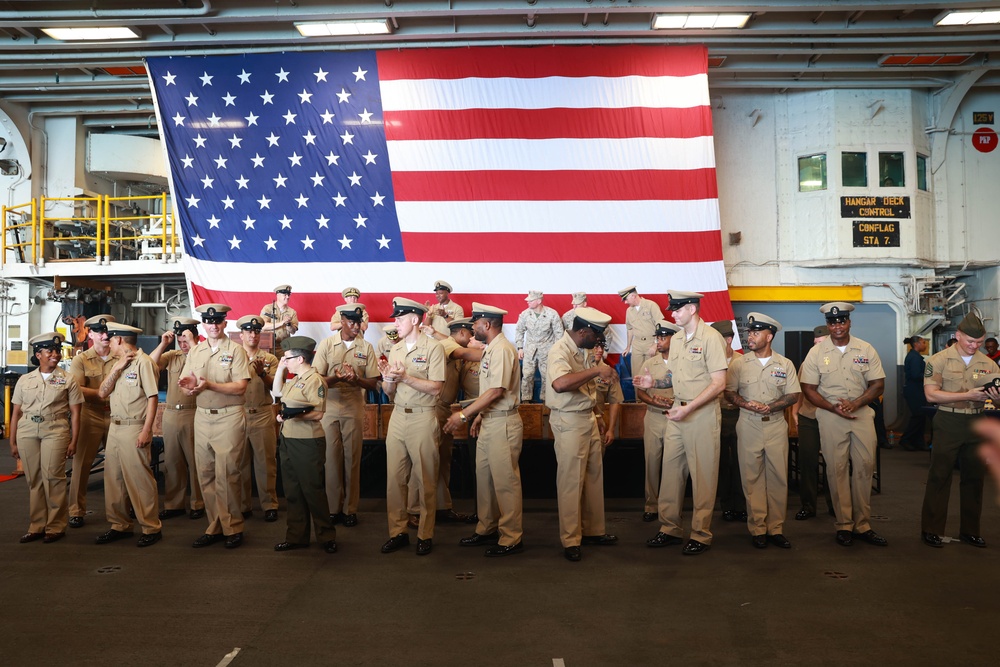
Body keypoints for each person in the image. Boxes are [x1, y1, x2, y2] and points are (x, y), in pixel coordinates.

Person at [634, 291, 727, 555]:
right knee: (671, 473)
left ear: (691, 309)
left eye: (676, 310)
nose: (672, 314)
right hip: (678, 410)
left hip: (701, 414)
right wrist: (656, 383)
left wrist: (690, 408)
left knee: (703, 476)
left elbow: (719, 383)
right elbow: (675, 376)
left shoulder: (711, 338)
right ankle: (670, 528)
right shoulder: (676, 340)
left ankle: (700, 533)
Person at [799, 302, 888, 548]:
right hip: (830, 417)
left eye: (841, 321)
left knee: (865, 467)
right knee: (836, 470)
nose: (837, 326)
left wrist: (856, 403)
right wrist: (833, 408)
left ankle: (863, 524)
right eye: (832, 322)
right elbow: (808, 388)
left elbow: (878, 384)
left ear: (849, 322)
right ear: (827, 325)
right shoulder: (816, 353)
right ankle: (844, 524)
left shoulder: (865, 348)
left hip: (861, 415)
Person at [444, 303, 524, 557]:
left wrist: (465, 415)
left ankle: (511, 536)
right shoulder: (492, 349)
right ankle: (487, 527)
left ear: (486, 325)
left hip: (503, 423)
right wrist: (479, 415)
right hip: (490, 419)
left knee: (505, 482)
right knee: (486, 479)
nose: (473, 328)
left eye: (475, 323)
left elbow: (495, 391)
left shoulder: (501, 349)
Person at [545, 307, 619, 562]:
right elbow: (561, 384)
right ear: (583, 331)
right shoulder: (560, 350)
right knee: (571, 481)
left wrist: (598, 416)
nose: (598, 342)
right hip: (569, 421)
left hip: (587, 418)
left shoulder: (582, 350)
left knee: (593, 477)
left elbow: (586, 389)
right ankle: (571, 538)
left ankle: (593, 530)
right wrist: (597, 370)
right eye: (596, 337)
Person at [723, 313, 801, 549]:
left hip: (776, 424)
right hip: (748, 424)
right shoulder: (739, 363)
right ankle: (758, 528)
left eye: (755, 333)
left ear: (769, 336)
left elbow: (793, 395)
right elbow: (729, 392)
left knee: (778, 477)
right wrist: (746, 404)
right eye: (749, 333)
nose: (750, 337)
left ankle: (775, 529)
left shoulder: (784, 364)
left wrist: (770, 406)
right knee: (751, 477)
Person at [920, 313, 995, 549]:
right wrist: (968, 395)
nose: (975, 346)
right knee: (940, 476)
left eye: (979, 342)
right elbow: (931, 395)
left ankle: (970, 530)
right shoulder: (938, 360)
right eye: (970, 341)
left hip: (976, 421)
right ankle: (931, 529)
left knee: (974, 478)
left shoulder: (989, 364)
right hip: (948, 420)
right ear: (958, 336)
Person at [378, 297, 446, 556]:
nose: (395, 322)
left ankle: (425, 534)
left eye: (400, 318)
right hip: (398, 416)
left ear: (415, 320)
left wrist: (405, 376)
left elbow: (436, 388)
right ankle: (397, 532)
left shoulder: (433, 348)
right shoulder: (395, 350)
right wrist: (388, 379)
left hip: (422, 416)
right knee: (394, 479)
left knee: (425, 478)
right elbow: (388, 391)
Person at [181, 303, 251, 550]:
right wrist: (188, 386)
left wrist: (209, 385)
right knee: (206, 474)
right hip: (202, 416)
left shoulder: (236, 351)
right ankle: (214, 526)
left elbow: (241, 386)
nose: (213, 325)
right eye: (208, 322)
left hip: (228, 417)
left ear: (224, 324)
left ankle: (233, 526)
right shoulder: (196, 351)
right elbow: (186, 382)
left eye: (217, 321)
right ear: (203, 324)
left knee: (228, 473)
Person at [9, 333, 83, 544]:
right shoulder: (25, 380)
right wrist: (13, 441)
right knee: (34, 479)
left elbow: (76, 413)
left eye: (57, 351)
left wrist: (74, 440)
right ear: (38, 354)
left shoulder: (68, 379)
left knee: (53, 477)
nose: (55, 355)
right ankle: (37, 525)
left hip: (55, 429)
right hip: (27, 431)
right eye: (49, 351)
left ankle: (56, 526)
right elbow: (16, 413)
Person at [95, 323, 162, 547]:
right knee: (113, 479)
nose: (109, 343)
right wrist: (117, 369)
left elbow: (153, 398)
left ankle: (151, 527)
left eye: (111, 340)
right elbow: (102, 393)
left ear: (120, 340)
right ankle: (119, 525)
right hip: (115, 427)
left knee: (139, 479)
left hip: (135, 426)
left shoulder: (145, 363)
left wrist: (146, 430)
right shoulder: (116, 364)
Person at [314, 303, 379, 528]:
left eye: (358, 323)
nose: (355, 327)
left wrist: (356, 380)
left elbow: (373, 383)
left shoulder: (367, 347)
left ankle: (350, 508)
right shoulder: (326, 345)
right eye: (351, 322)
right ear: (341, 321)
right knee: (331, 460)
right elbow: (317, 380)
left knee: (352, 459)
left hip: (353, 406)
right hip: (330, 406)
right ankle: (333, 508)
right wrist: (337, 378)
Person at [271, 336, 337, 554]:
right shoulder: (296, 378)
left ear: (300, 359)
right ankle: (297, 536)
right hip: (289, 440)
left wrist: (292, 416)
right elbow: (277, 393)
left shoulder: (315, 380)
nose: (285, 361)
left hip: (308, 442)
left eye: (287, 358)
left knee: (312, 490)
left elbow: (318, 413)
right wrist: (280, 369)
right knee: (293, 491)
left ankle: (326, 536)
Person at [150, 317, 205, 520]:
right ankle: (174, 504)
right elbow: (149, 363)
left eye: (186, 340)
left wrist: (193, 344)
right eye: (180, 341)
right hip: (172, 413)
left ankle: (198, 502)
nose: (183, 346)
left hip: (193, 412)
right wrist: (164, 343)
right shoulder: (172, 355)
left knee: (195, 461)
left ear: (195, 338)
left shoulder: (202, 355)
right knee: (172, 462)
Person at [67, 314, 117, 529]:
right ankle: (76, 511)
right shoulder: (81, 359)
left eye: (108, 332)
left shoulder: (120, 356)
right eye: (100, 332)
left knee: (118, 465)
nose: (105, 335)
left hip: (116, 415)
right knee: (82, 465)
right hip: (91, 415)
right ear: (91, 334)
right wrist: (103, 393)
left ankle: (121, 508)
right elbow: (77, 388)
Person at [634, 320, 679, 523]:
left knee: (673, 465)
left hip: (676, 418)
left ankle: (671, 508)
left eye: (663, 338)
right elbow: (640, 392)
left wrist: (674, 403)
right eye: (657, 338)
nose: (658, 342)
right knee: (652, 463)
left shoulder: (683, 362)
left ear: (674, 339)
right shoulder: (649, 363)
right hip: (653, 417)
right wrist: (654, 401)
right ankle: (651, 505)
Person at [236, 314, 279, 522]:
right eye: (249, 331)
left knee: (266, 463)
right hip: (239, 413)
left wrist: (263, 373)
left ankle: (269, 504)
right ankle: (243, 505)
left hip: (262, 413)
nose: (253, 335)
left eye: (256, 331)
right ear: (241, 335)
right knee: (240, 463)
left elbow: (276, 388)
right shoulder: (234, 356)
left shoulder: (269, 359)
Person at [791, 326, 835, 520]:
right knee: (807, 462)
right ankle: (808, 506)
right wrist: (795, 413)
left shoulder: (838, 362)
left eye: (821, 342)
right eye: (815, 343)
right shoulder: (807, 361)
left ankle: (835, 504)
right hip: (808, 417)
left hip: (832, 417)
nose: (817, 346)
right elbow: (800, 390)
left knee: (833, 463)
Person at [712, 319, 747, 523]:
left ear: (728, 339)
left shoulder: (741, 361)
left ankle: (741, 505)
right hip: (717, 415)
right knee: (723, 463)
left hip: (739, 415)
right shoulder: (709, 360)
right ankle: (726, 505)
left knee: (741, 462)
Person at [515, 290, 564, 403]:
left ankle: (546, 401)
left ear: (539, 301)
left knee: (547, 377)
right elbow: (519, 331)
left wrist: (556, 352)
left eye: (531, 300)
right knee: (527, 375)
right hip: (530, 350)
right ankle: (526, 400)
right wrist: (520, 347)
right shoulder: (525, 314)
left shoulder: (552, 314)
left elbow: (559, 334)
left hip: (547, 351)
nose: (528, 302)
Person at [619, 286, 665, 380]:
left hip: (651, 342)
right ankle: (637, 395)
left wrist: (656, 344)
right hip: (637, 345)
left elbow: (661, 325)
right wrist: (628, 347)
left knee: (652, 374)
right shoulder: (629, 311)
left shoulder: (651, 305)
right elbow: (630, 329)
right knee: (636, 376)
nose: (625, 302)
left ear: (633, 296)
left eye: (626, 299)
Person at [900, 334, 930, 451]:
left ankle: (918, 441)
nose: (925, 344)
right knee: (918, 415)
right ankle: (906, 439)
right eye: (923, 342)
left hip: (916, 390)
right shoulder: (915, 358)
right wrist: (930, 377)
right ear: (916, 344)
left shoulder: (915, 356)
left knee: (921, 416)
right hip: (914, 390)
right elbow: (916, 375)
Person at [592, 336, 623, 447]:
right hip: (578, 425)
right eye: (596, 346)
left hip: (599, 427)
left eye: (602, 346)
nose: (600, 350)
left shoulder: (609, 372)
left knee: (597, 463)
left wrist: (611, 429)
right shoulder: (577, 369)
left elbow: (615, 401)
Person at [260, 284, 299, 352]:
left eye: (288, 295)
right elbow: (263, 326)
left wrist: (288, 324)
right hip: (268, 347)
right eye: (285, 295)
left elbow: (293, 331)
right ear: (278, 295)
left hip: (284, 348)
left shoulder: (292, 312)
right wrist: (282, 322)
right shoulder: (268, 308)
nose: (287, 297)